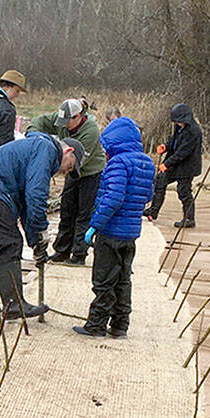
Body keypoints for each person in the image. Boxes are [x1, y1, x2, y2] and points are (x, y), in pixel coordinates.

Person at [0, 133, 82, 318]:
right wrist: (42, 229)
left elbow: (25, 206)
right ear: (68, 151)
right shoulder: (46, 150)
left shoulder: (35, 150)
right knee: (10, 243)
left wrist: (35, 241)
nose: (66, 173)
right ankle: (14, 305)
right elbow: (36, 196)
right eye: (70, 166)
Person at [74, 116, 155, 339]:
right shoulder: (147, 162)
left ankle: (97, 325)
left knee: (103, 280)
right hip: (130, 233)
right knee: (123, 279)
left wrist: (94, 225)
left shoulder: (118, 163)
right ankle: (120, 325)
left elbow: (113, 198)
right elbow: (147, 196)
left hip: (111, 231)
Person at [25, 98, 106, 265]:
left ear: (78, 117)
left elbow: (76, 162)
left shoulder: (90, 131)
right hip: (71, 170)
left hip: (90, 172)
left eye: (67, 122)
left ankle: (79, 254)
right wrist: (33, 136)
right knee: (67, 210)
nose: (63, 125)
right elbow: (38, 121)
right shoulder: (62, 119)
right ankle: (62, 250)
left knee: (83, 213)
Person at [145, 103, 203, 227]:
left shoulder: (193, 131)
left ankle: (189, 219)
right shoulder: (179, 127)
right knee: (160, 180)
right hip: (175, 163)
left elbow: (183, 152)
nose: (177, 123)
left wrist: (166, 164)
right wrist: (165, 146)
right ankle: (153, 211)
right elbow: (174, 140)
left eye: (179, 121)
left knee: (183, 190)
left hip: (187, 166)